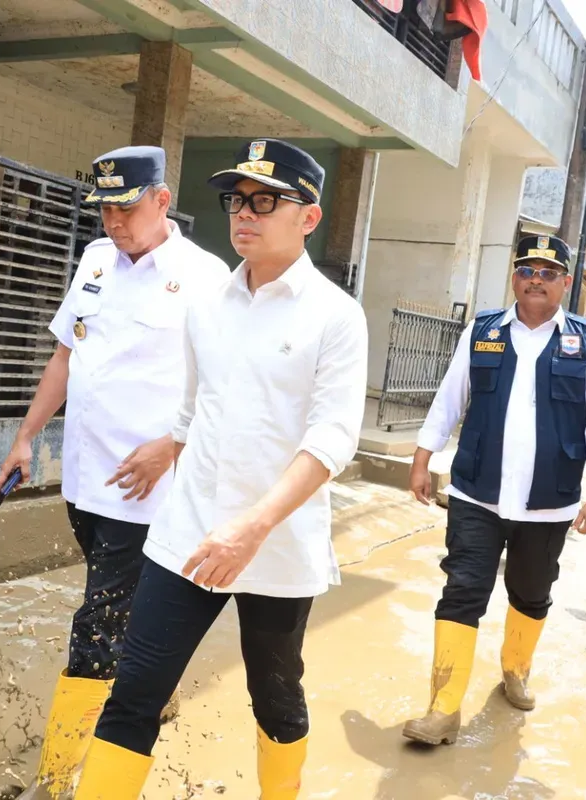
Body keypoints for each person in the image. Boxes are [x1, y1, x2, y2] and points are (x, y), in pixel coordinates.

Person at [72, 139, 368, 799]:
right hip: (189, 535)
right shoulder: (206, 304)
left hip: (277, 545)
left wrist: (254, 527)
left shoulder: (335, 317)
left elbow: (332, 440)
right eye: (239, 199)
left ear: (309, 218)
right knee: (135, 691)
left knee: (276, 695)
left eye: (267, 201)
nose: (247, 213)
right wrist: (168, 445)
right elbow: (192, 407)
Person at [0, 146, 230, 799]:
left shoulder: (205, 276)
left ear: (161, 199)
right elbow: (66, 355)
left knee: (96, 620)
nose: (113, 220)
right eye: (103, 207)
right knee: (116, 605)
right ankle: (160, 678)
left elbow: (225, 382)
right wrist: (25, 438)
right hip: (85, 477)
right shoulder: (96, 259)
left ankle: (55, 776)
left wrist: (171, 447)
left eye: (126, 207)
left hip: (149, 486)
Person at [401, 234, 586, 746]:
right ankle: (443, 706)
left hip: (550, 500)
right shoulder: (482, 332)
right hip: (477, 491)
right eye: (527, 269)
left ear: (566, 282)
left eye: (548, 271)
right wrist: (422, 457)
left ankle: (516, 668)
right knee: (462, 590)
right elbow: (449, 399)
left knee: (532, 591)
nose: (536, 279)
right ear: (514, 277)